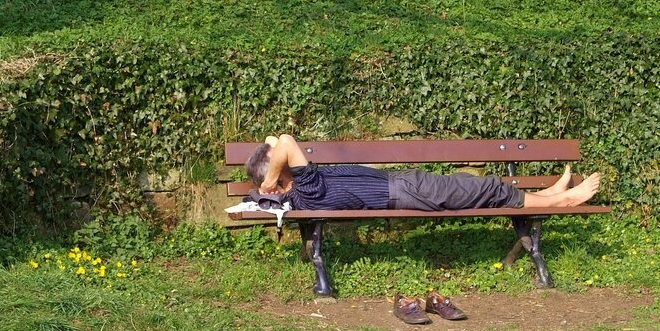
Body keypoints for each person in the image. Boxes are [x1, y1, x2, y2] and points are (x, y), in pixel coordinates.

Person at [245, 134, 601, 211]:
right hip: (407, 191)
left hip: (403, 184)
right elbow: (286, 142)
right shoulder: (306, 190)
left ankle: (550, 196)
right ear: (280, 176)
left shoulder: (301, 187)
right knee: (488, 188)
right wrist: (272, 179)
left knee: (470, 184)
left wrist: (271, 176)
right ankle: (563, 200)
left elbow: (276, 142)